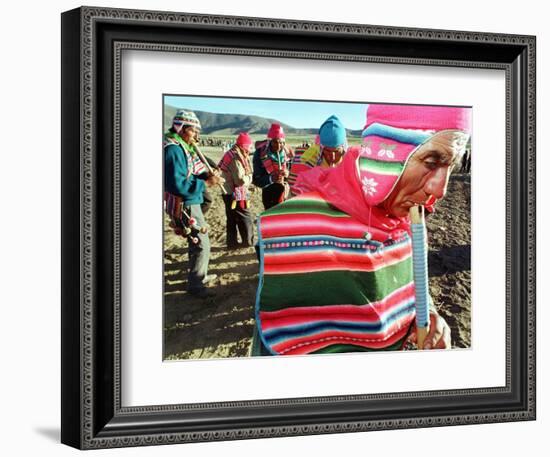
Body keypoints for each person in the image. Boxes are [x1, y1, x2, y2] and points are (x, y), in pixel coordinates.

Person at [251, 103, 471, 355]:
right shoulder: (297, 228)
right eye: (431, 161)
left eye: (451, 165)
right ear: (388, 153)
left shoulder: (410, 214)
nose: (440, 190)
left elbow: (408, 278)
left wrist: (425, 313)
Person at [164, 109, 224, 298]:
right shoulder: (173, 149)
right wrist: (207, 183)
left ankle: (198, 276)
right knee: (202, 243)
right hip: (186, 203)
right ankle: (196, 285)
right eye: (193, 131)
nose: (197, 135)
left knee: (196, 241)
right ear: (181, 129)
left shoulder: (183, 146)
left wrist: (207, 174)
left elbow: (191, 171)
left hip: (191, 201)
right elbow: (177, 183)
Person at [289, 115, 348, 195]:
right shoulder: (308, 160)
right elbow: (296, 192)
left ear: (344, 147)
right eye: (327, 151)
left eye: (337, 151)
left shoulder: (350, 161)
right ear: (321, 147)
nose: (332, 157)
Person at [218, 132, 255, 249]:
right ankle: (247, 242)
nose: (249, 150)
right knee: (244, 215)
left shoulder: (233, 153)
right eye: (249, 147)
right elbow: (240, 180)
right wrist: (250, 177)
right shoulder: (236, 157)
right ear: (244, 146)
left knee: (232, 217)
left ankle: (232, 243)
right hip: (235, 191)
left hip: (227, 191)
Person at [252, 123, 293, 210]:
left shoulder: (288, 153)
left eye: (281, 143)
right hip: (269, 195)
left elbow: (295, 175)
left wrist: (288, 174)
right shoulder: (260, 154)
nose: (278, 146)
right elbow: (256, 180)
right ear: (270, 141)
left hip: (286, 194)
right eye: (275, 142)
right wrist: (271, 178)